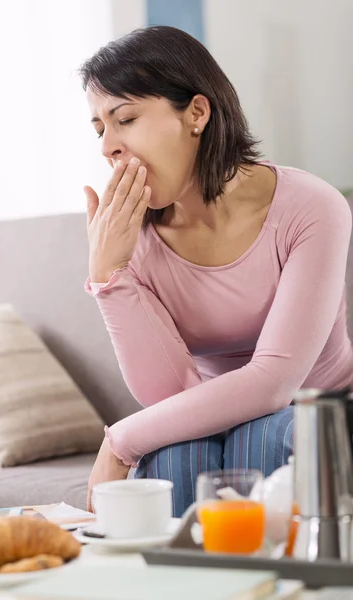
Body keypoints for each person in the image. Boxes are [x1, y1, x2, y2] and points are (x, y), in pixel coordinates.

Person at [79, 26, 353, 517]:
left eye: (126, 119)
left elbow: (275, 383)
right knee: (172, 450)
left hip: (319, 413)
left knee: (264, 435)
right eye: (100, 129)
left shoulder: (312, 207)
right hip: (213, 415)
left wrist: (120, 441)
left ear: (197, 114)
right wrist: (110, 277)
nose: (108, 147)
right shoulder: (131, 239)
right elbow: (171, 397)